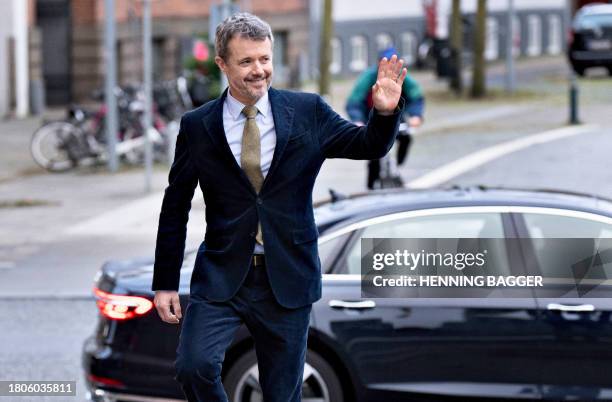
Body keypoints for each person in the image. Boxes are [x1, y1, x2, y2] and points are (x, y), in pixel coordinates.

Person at [152, 12, 406, 402]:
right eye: (246, 61)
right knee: (194, 366)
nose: (259, 71)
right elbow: (175, 206)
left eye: (265, 59)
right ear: (222, 63)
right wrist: (166, 281)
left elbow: (367, 146)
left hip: (287, 278)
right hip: (222, 276)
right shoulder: (198, 126)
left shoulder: (307, 111)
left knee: (282, 394)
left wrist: (384, 112)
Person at [346, 46, 425, 189]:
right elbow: (354, 102)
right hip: (370, 120)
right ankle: (370, 188)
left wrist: (415, 116)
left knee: (406, 137)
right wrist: (357, 120)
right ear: (379, 64)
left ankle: (398, 163)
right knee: (373, 152)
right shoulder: (367, 78)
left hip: (396, 119)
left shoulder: (403, 78)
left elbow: (416, 97)